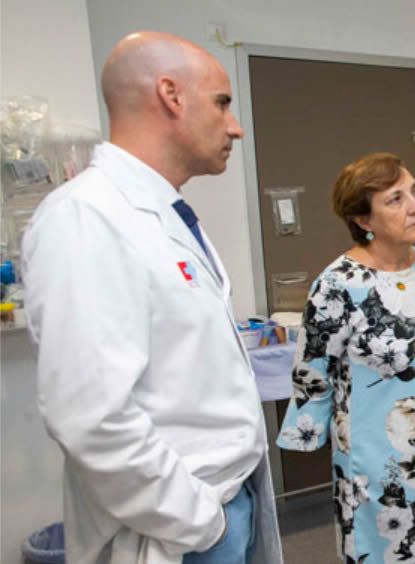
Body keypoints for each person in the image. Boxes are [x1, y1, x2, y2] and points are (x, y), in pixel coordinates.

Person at [21, 31, 282, 563]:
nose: (235, 126)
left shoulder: (163, 213)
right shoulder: (85, 217)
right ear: (170, 95)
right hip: (179, 527)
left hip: (223, 501)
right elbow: (91, 416)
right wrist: (200, 523)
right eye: (222, 103)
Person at [276, 153, 415, 564]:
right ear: (363, 220)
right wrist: (309, 432)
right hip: (380, 465)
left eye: (414, 192)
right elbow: (313, 372)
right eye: (395, 199)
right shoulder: (338, 285)